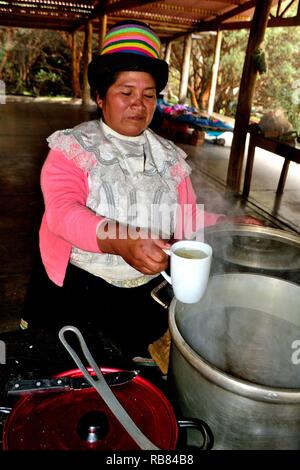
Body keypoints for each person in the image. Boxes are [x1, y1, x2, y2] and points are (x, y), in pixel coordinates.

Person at [20, 20, 261, 363]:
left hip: (143, 296)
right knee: (74, 381)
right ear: (101, 98)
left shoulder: (169, 157)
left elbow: (183, 215)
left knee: (133, 385)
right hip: (79, 292)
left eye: (149, 95)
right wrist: (120, 240)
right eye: (126, 92)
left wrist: (228, 222)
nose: (139, 104)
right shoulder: (73, 148)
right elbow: (62, 212)